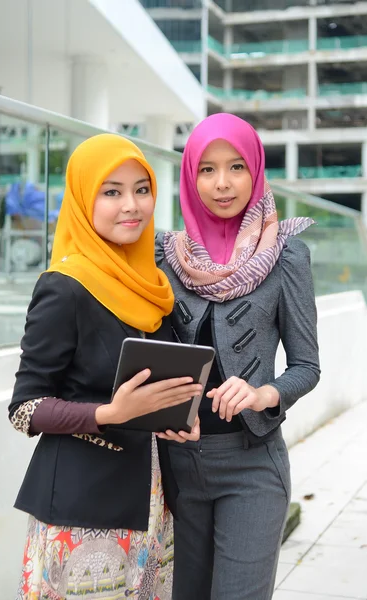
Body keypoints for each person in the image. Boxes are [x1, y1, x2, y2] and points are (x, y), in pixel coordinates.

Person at [8, 133, 202, 600]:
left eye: (141, 188)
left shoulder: (154, 286)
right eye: (111, 191)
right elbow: (23, 408)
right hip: (83, 511)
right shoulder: (65, 286)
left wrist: (177, 416)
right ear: (82, 199)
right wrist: (108, 414)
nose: (131, 205)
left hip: (152, 501)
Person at [155, 113, 321, 600]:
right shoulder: (167, 256)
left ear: (256, 171)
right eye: (206, 169)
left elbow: (307, 366)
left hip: (251, 467)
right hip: (178, 467)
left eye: (235, 167)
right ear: (189, 176)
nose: (222, 184)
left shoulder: (287, 255)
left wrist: (262, 392)